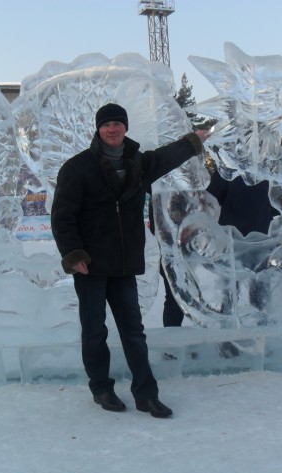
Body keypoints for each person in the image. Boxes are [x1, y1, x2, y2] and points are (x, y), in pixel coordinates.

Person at [51, 103, 209, 418]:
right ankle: (102, 387)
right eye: (107, 124)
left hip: (123, 263)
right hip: (91, 265)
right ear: (98, 129)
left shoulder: (138, 163)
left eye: (117, 124)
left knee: (133, 331)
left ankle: (146, 394)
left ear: (125, 127)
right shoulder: (77, 167)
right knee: (94, 330)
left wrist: (193, 140)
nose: (112, 129)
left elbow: (167, 156)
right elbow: (62, 215)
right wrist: (73, 253)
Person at [159, 129, 282, 326]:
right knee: (230, 296)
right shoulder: (231, 171)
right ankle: (228, 338)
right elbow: (209, 201)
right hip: (232, 245)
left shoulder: (273, 174)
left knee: (258, 297)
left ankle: (260, 336)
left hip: (261, 245)